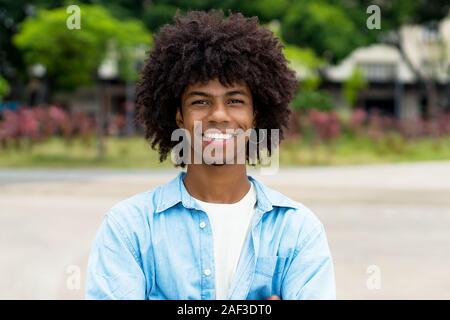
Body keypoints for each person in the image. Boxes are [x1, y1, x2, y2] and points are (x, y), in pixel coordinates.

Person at [85, 10, 335, 300]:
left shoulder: (297, 230)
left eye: (235, 100)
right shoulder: (129, 227)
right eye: (200, 101)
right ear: (179, 116)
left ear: (256, 115)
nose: (218, 115)